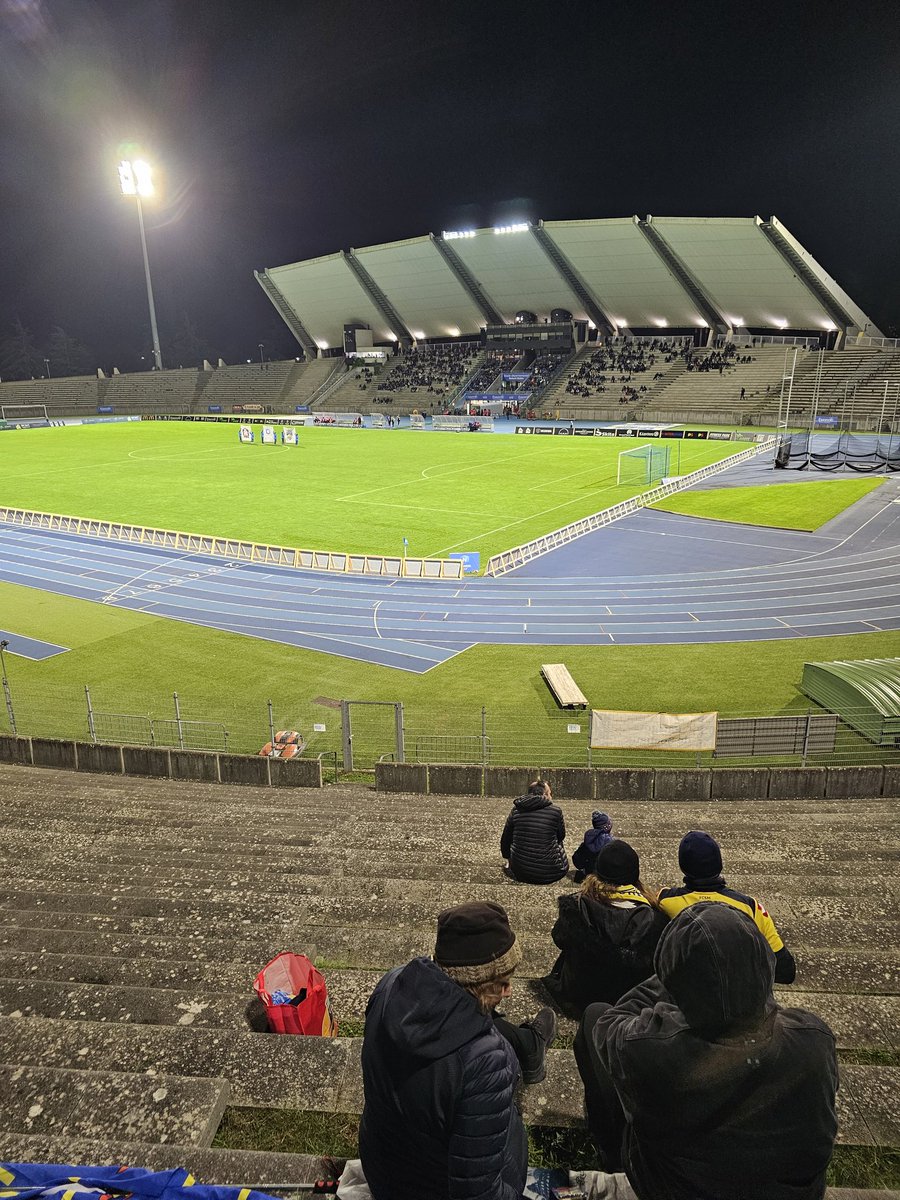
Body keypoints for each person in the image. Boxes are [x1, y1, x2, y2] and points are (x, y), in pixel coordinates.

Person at [574, 903, 838, 1200]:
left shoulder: (653, 1049)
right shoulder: (813, 1036)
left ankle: (613, 1158)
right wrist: (741, 980)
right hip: (792, 1192)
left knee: (595, 1014)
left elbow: (608, 1023)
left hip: (675, 1189)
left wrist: (672, 973)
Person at [359, 901, 555, 1200]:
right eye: (501, 982)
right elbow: (477, 1193)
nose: (508, 990)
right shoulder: (487, 1060)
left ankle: (527, 1042)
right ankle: (531, 1047)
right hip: (434, 1189)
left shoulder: (392, 984)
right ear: (478, 982)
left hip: (381, 1168)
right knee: (511, 1122)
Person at [543, 840, 668, 1017]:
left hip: (578, 998)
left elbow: (559, 938)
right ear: (634, 875)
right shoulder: (655, 920)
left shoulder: (576, 907)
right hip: (627, 1004)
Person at [657, 830, 796, 982]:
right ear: (719, 863)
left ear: (683, 866)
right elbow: (785, 970)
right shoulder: (749, 906)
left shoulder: (666, 901)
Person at [500, 779, 568, 883]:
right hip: (551, 873)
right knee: (555, 836)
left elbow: (505, 838)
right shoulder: (555, 811)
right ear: (544, 795)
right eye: (550, 794)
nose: (551, 797)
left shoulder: (516, 810)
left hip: (520, 872)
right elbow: (561, 836)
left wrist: (508, 859)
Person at [572, 810, 614, 882]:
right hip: (605, 878)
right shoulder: (612, 843)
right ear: (608, 826)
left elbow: (577, 860)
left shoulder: (587, 842)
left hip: (589, 874)